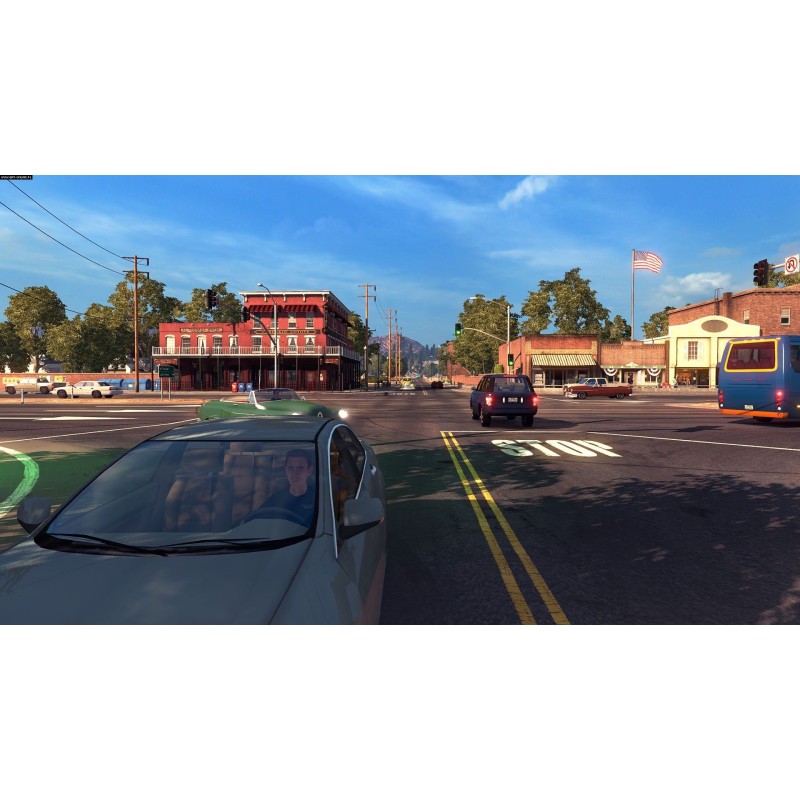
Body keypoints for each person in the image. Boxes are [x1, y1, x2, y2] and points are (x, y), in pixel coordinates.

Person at [245, 448, 315, 526]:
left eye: (300, 468)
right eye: (290, 468)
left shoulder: (317, 499)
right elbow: (256, 522)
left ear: (310, 471)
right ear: (286, 470)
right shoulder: (275, 499)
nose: (294, 473)